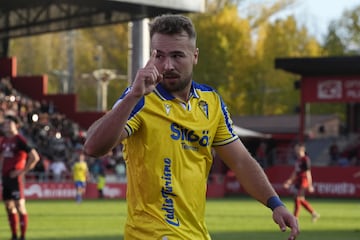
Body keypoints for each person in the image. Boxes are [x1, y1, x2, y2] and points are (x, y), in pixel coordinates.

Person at [84, 14, 299, 240]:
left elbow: (241, 161)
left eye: (177, 56)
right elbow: (93, 146)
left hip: (196, 234)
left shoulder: (210, 102)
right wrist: (133, 97)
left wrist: (275, 204)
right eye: (159, 56)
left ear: (195, 56)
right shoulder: (141, 98)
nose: (167, 65)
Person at [0, 115, 40, 240]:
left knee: (19, 206)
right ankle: (14, 235)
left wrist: (23, 171)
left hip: (16, 179)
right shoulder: (3, 141)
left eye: (9, 123)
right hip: (6, 178)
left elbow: (35, 156)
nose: (6, 125)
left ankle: (22, 236)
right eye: (5, 123)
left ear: (16, 125)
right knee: (8, 207)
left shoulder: (20, 140)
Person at [283, 143, 320, 222]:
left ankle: (295, 218)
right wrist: (289, 181)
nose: (295, 151)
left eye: (297, 149)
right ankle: (314, 213)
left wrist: (310, 185)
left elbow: (308, 173)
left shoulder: (305, 159)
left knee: (297, 198)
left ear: (301, 149)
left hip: (304, 181)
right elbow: (295, 172)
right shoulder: (298, 160)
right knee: (300, 199)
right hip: (298, 181)